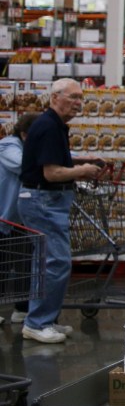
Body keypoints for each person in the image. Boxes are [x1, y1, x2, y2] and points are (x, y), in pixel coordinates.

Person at [16, 79, 101, 343]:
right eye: (73, 97)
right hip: (44, 201)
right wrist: (83, 171)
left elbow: (52, 160)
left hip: (45, 201)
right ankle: (37, 322)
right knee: (55, 262)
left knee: (46, 263)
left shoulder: (53, 125)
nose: (78, 103)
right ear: (55, 97)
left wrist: (82, 160)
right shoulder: (49, 127)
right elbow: (51, 173)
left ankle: (44, 319)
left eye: (81, 98)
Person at [1, 112, 39, 325]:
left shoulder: (28, 148)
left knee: (26, 262)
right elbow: (22, 165)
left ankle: (22, 308)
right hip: (4, 215)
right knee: (3, 264)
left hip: (22, 216)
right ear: (25, 135)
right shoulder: (8, 146)